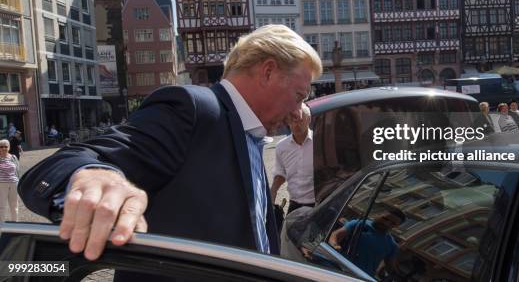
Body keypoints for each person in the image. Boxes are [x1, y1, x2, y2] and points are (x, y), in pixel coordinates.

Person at [18, 25, 322, 273]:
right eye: (298, 95)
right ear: (268, 71)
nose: (299, 112)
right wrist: (93, 177)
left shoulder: (251, 132)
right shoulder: (194, 109)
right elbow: (71, 161)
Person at [329, 207, 404, 278]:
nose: (386, 223)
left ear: (396, 226)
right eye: (385, 218)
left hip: (361, 278)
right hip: (338, 270)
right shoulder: (359, 224)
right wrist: (335, 246)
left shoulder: (392, 245)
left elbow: (390, 268)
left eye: (393, 223)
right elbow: (335, 235)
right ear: (378, 214)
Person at [271, 104, 314, 216]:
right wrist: (273, 192)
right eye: (292, 121)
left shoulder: (319, 142)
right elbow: (280, 173)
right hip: (295, 204)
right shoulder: (281, 147)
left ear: (308, 119)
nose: (296, 124)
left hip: (318, 204)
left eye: (299, 120)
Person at [0, 139, 19, 222]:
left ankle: (15, 224)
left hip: (14, 184)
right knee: (2, 206)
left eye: (6, 146)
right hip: (1, 185)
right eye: (1, 146)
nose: (4, 148)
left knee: (14, 206)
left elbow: (17, 170)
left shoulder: (14, 157)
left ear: (9, 147)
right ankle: (1, 225)